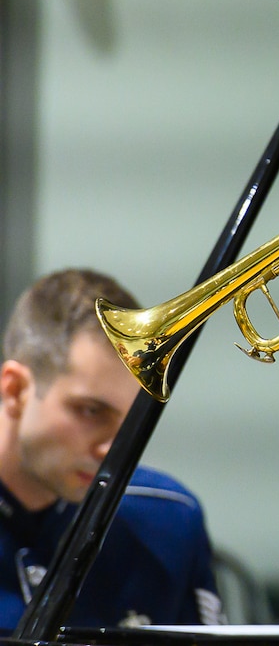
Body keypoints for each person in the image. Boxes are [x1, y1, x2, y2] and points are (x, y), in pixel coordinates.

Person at [0, 269, 221, 630]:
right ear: (15, 391)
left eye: (131, 419)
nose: (113, 448)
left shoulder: (170, 518)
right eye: (91, 411)